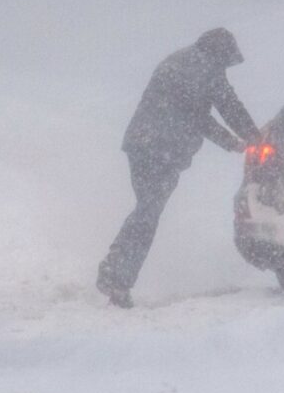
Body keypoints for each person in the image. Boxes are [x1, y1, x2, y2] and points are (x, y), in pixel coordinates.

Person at [97, 27, 260, 308]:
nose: (225, 69)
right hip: (161, 149)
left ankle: (116, 271)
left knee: (147, 209)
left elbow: (202, 109)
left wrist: (239, 138)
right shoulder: (205, 68)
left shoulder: (183, 60)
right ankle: (116, 277)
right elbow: (217, 109)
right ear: (220, 53)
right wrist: (248, 139)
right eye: (225, 61)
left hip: (142, 143)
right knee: (148, 211)